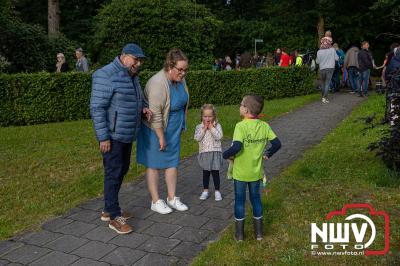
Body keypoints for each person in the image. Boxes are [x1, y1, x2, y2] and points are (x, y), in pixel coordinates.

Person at [90, 43, 151, 234]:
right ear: (124, 56)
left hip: (126, 134)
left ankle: (109, 209)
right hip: (112, 136)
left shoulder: (132, 76)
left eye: (140, 60)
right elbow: (97, 108)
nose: (139, 63)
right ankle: (114, 216)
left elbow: (135, 99)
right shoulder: (106, 74)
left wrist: (143, 109)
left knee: (121, 169)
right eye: (136, 59)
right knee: (113, 172)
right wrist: (103, 137)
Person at [137, 48, 189, 214]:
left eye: (185, 69)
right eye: (180, 70)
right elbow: (156, 115)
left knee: (172, 162)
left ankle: (172, 198)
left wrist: (182, 124)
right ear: (169, 66)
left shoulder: (180, 79)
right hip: (155, 129)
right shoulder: (158, 83)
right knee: (154, 164)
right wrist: (160, 137)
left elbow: (183, 102)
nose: (183, 73)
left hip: (173, 128)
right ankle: (155, 200)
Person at [223, 94, 281, 241]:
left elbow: (237, 146)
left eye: (241, 104)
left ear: (246, 110)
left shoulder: (240, 126)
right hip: (256, 173)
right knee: (256, 200)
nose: (240, 106)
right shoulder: (264, 126)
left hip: (241, 174)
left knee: (240, 201)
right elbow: (277, 144)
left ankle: (240, 235)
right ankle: (259, 234)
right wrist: (268, 153)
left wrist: (225, 154)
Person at [194, 104, 223, 201]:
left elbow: (219, 137)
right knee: (206, 173)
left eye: (210, 116)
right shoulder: (199, 127)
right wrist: (204, 129)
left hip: (215, 151)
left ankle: (217, 191)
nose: (207, 118)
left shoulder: (217, 125)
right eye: (205, 116)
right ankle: (205, 191)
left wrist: (211, 128)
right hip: (205, 152)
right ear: (202, 116)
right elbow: (197, 138)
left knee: (215, 172)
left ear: (214, 116)